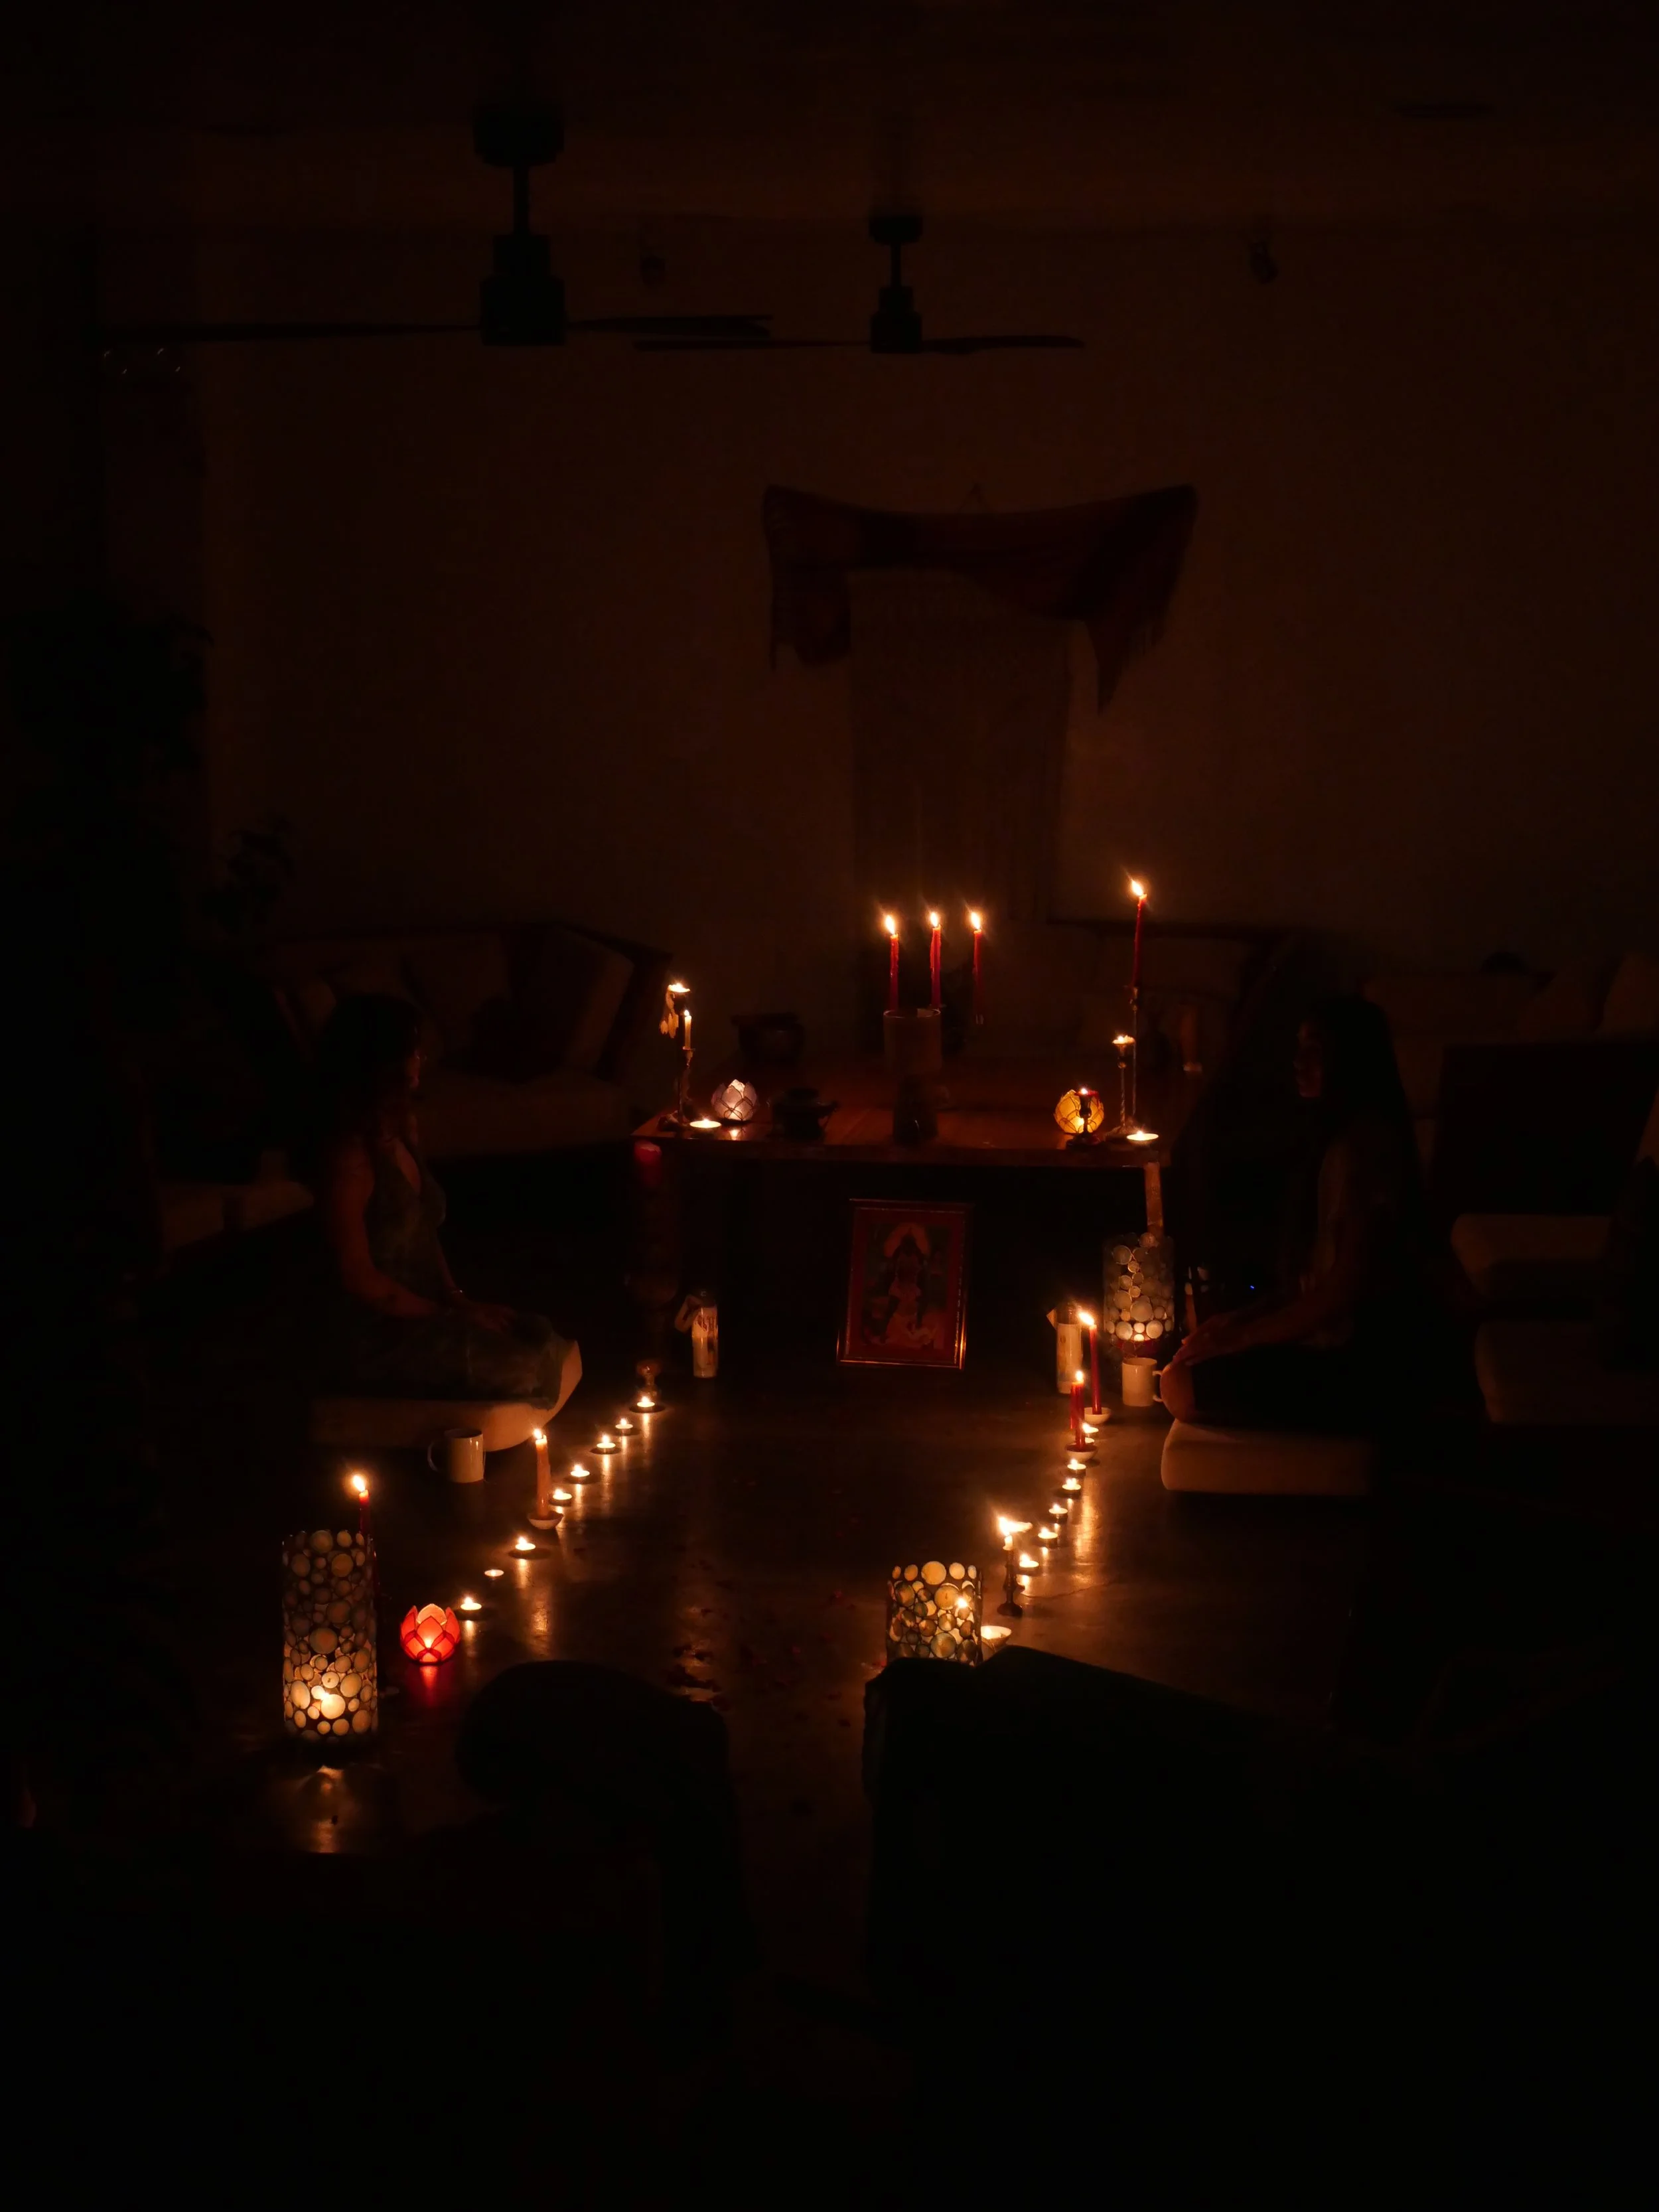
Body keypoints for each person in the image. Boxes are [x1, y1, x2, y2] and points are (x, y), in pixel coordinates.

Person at [1160, 994, 1426, 1433]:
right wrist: (1236, 1321)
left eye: (1316, 1051)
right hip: (1327, 1340)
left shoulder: (1365, 1151)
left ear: (1351, 1060)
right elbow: (1308, 1282)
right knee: (1190, 1353)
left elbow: (1339, 1293)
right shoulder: (1329, 1141)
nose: (1299, 1062)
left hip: (1357, 1365)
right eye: (1299, 1048)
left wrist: (1240, 1338)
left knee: (1180, 1385)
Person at [313, 994, 581, 1410]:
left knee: (540, 1334)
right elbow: (358, 1277)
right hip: (380, 1333)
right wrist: (445, 1316)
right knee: (525, 1364)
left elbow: (423, 1230)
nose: (421, 1058)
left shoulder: (402, 1127)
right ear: (382, 1063)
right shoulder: (351, 1158)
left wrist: (459, 1299)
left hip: (429, 1311)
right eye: (412, 1050)